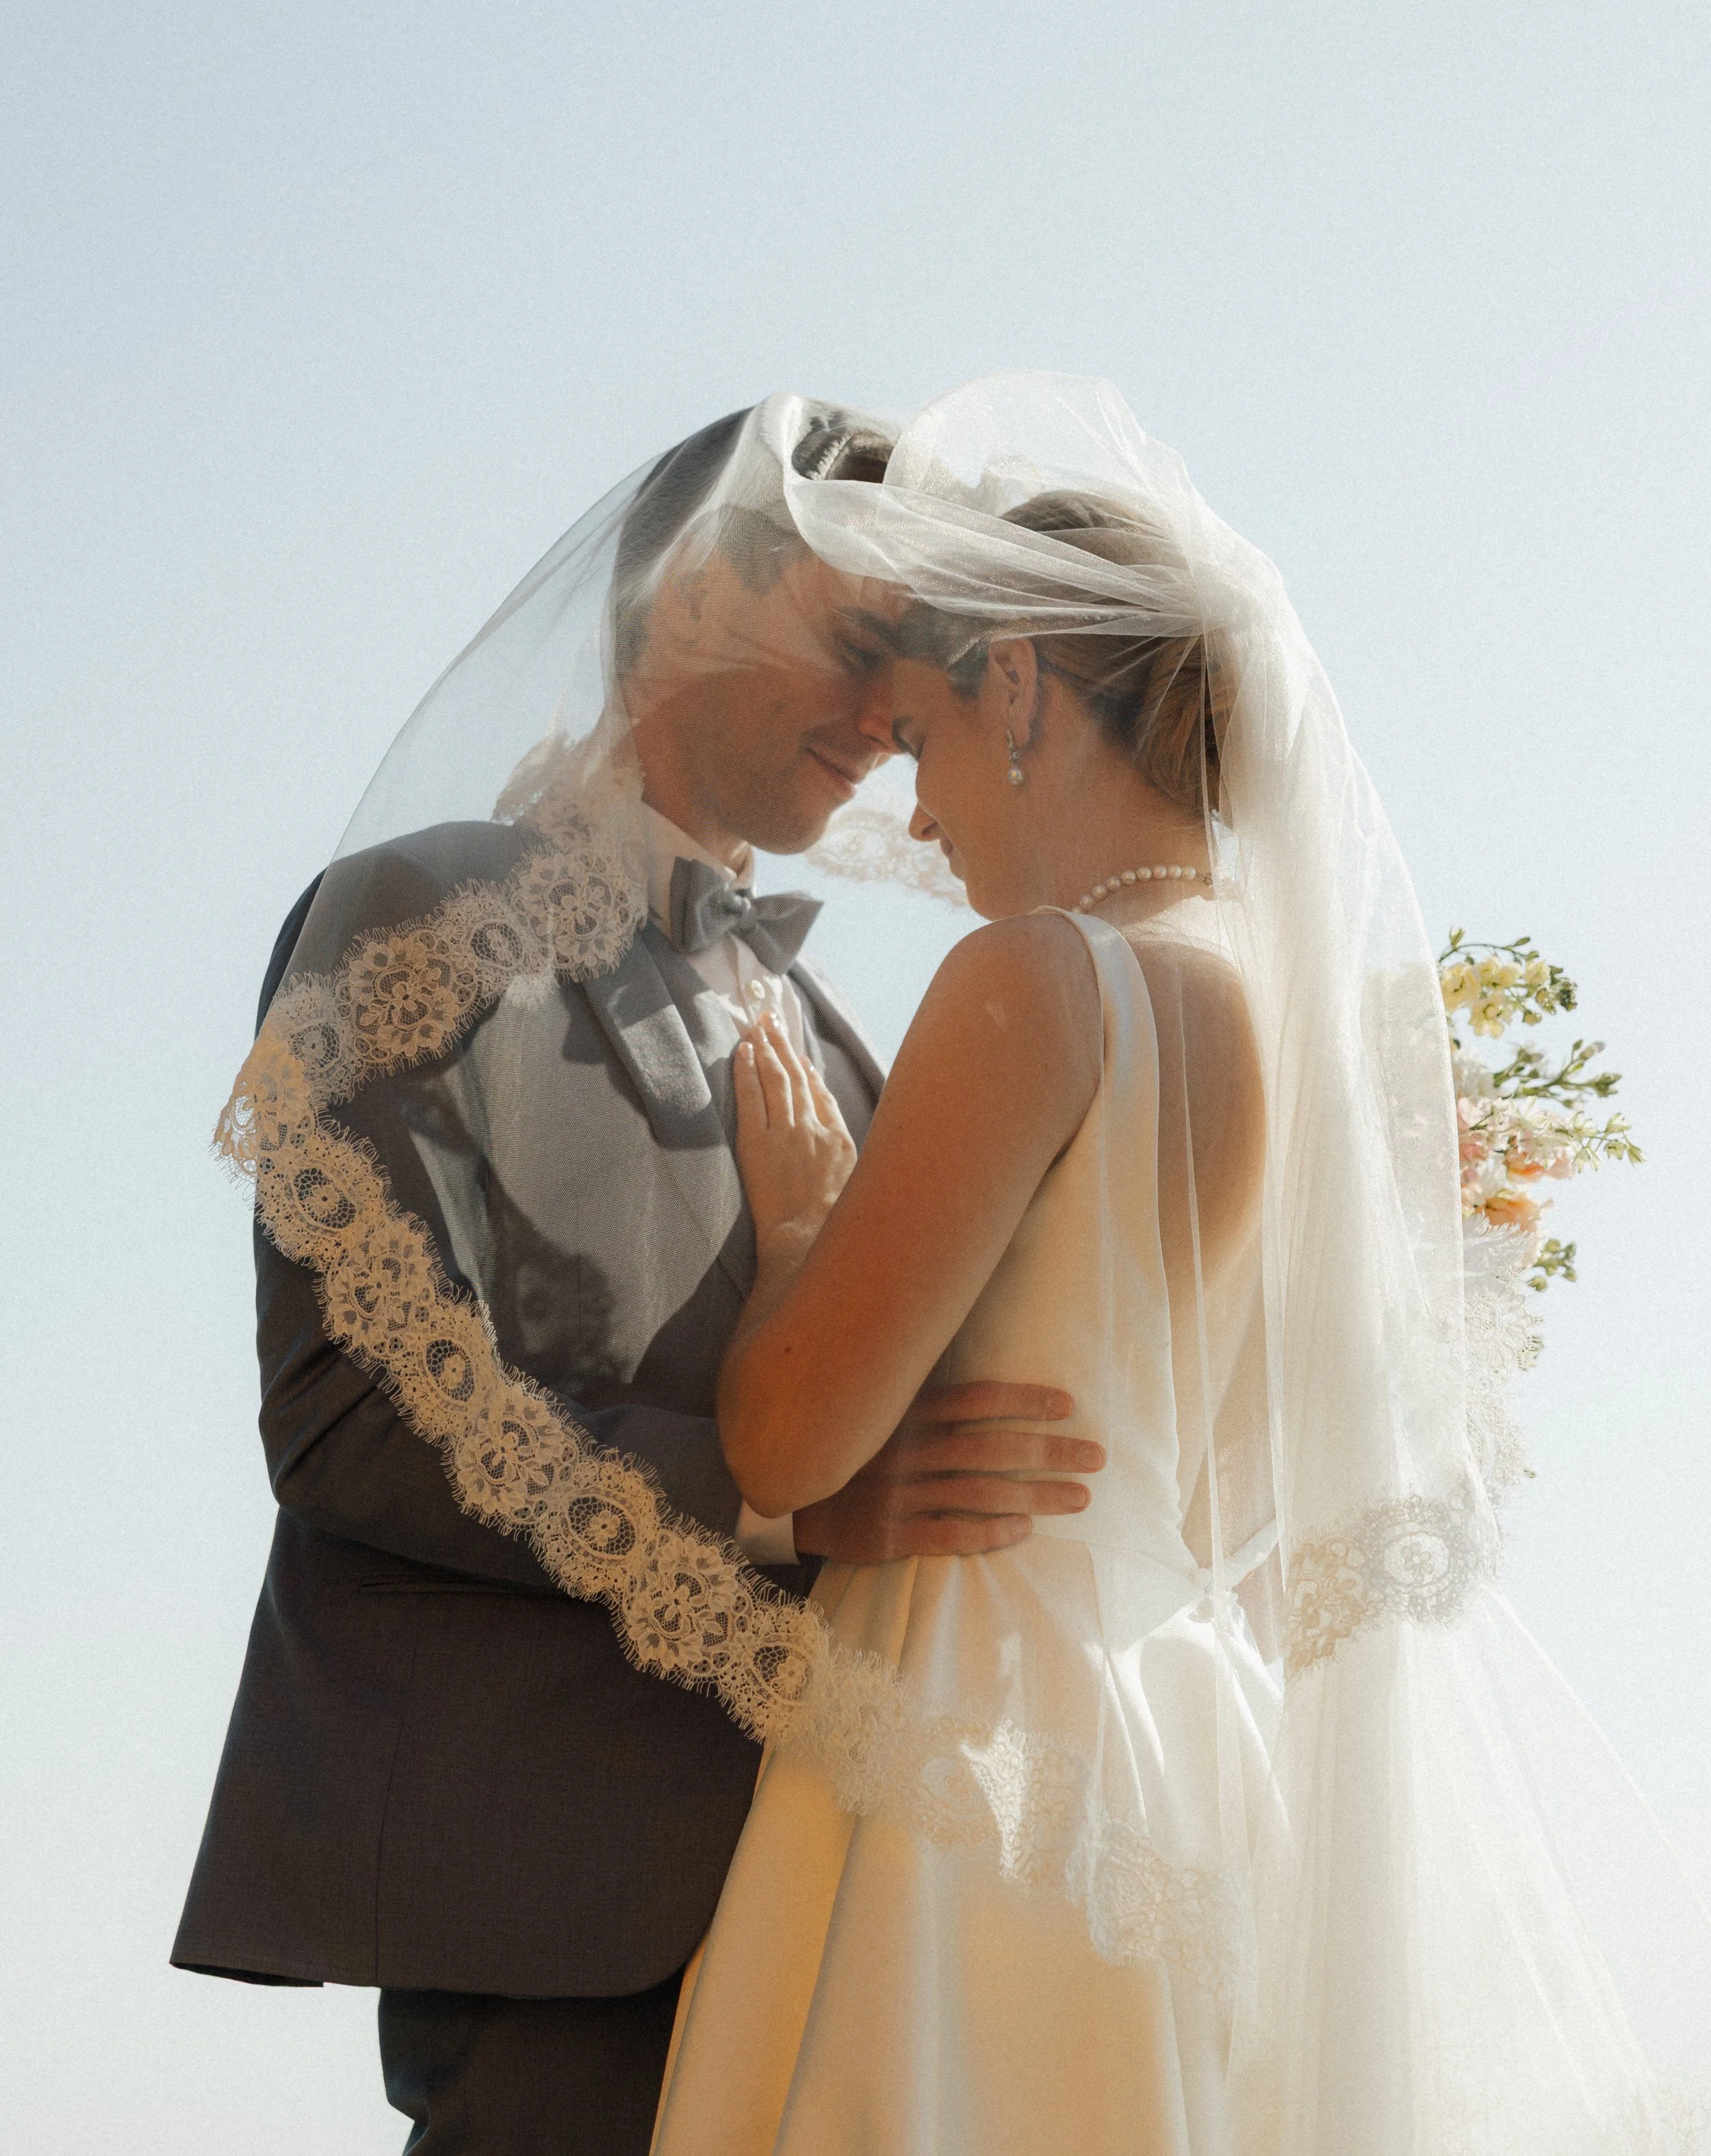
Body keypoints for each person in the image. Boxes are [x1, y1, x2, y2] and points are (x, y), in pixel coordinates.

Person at [648, 379, 1711, 2153]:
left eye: (911, 737)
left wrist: (805, 1218)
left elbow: (784, 1442)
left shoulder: (1039, 983)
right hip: (1191, 1733)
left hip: (979, 1731)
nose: (912, 819)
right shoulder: (1302, 1033)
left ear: (1016, 691)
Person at [172, 399, 1099, 2155]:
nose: (888, 725)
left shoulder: (843, 1035)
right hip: (565, 1919)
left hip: (866, 1904)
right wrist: (787, 1510)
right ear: (688, 600)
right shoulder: (408, 924)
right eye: (854, 647)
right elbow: (349, 1420)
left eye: (910, 676)